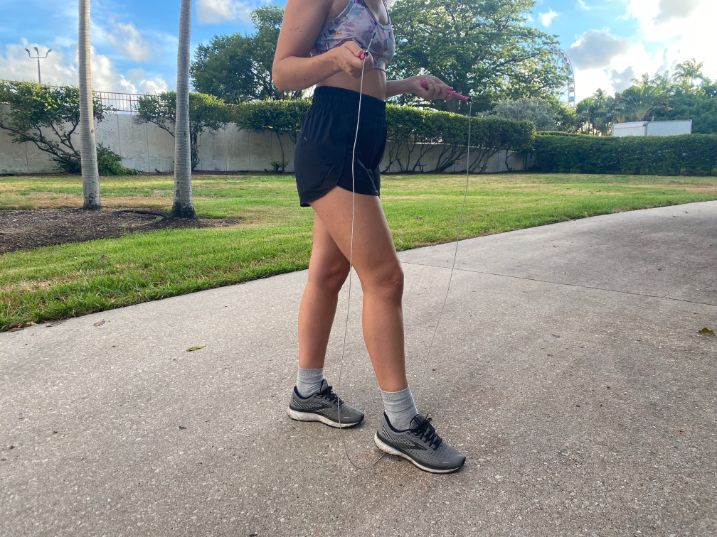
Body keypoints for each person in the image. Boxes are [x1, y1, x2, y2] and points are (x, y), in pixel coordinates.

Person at [272, 0, 466, 473]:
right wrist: (334, 59)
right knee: (385, 279)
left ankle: (308, 391)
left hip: (364, 132)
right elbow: (282, 73)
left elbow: (369, 78)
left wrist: (410, 86)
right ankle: (400, 423)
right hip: (334, 134)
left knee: (329, 272)